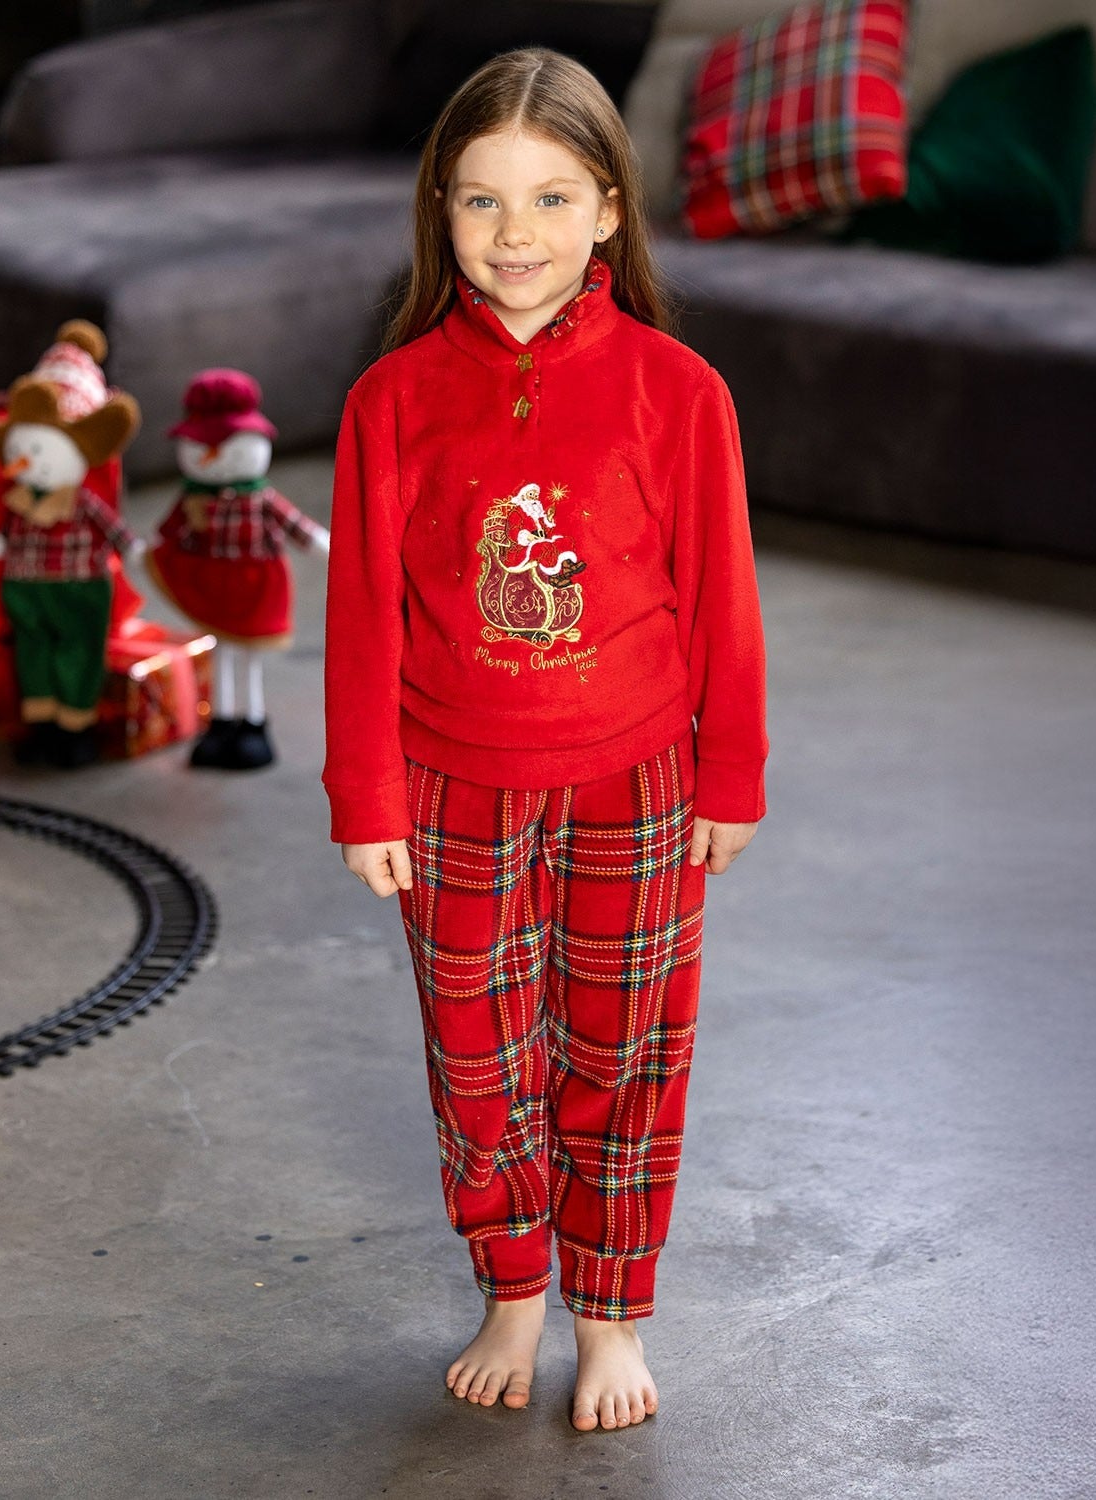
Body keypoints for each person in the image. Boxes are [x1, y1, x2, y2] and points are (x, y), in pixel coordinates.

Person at [322, 48, 768, 1434]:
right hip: (452, 788)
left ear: (611, 210)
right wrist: (366, 795)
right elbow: (363, 618)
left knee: (623, 1059)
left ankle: (610, 1312)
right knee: (481, 1063)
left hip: (638, 780)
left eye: (552, 198)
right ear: (439, 213)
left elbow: (724, 598)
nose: (515, 236)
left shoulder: (678, 391)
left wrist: (731, 774)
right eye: (482, 201)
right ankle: (513, 1286)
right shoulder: (392, 400)